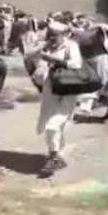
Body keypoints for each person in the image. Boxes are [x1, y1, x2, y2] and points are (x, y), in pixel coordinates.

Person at [36, 22, 82, 178]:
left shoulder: (71, 47)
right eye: (50, 35)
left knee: (53, 125)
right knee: (51, 123)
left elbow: (76, 64)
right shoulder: (47, 47)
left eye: (55, 35)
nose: (52, 38)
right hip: (50, 91)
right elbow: (39, 69)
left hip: (66, 91)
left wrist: (53, 60)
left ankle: (54, 156)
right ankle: (55, 154)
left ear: (63, 35)